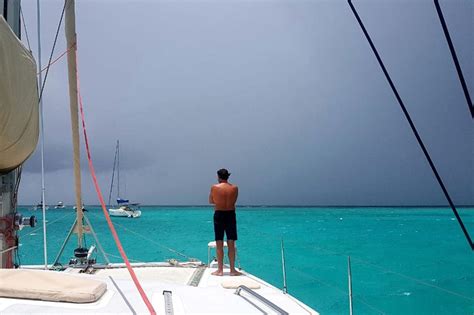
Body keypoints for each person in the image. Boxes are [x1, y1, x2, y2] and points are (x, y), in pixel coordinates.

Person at [209, 168, 241, 276]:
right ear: (228, 176)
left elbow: (211, 201)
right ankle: (232, 270)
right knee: (231, 243)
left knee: (219, 243)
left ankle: (220, 270)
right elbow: (234, 201)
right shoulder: (235, 188)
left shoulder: (214, 187)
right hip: (231, 214)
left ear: (219, 177)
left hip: (219, 214)